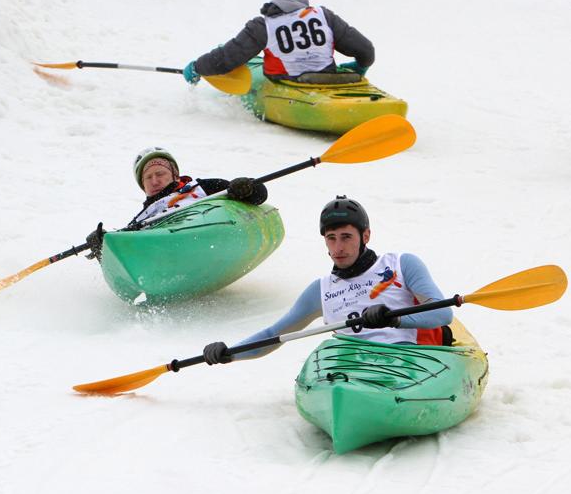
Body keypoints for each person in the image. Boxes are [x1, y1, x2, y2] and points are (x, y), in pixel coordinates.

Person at [201, 196, 453, 365]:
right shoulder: (320, 291)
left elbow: (442, 315)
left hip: (403, 360)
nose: (338, 247)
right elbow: (273, 335)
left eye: (346, 237)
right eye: (331, 238)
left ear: (365, 236)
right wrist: (229, 353)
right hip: (350, 364)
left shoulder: (400, 264)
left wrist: (396, 318)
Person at [182, 0, 375, 84]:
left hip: (287, 86)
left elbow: (226, 59)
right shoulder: (325, 16)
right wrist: (361, 66)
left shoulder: (263, 26)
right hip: (328, 79)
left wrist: (198, 67)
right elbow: (366, 50)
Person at [84, 147, 267, 260]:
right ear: (142, 185)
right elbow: (126, 251)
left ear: (174, 174)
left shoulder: (201, 186)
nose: (154, 181)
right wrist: (103, 244)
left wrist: (248, 186)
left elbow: (259, 196)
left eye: (160, 174)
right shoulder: (141, 219)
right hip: (172, 250)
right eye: (148, 177)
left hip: (211, 234)